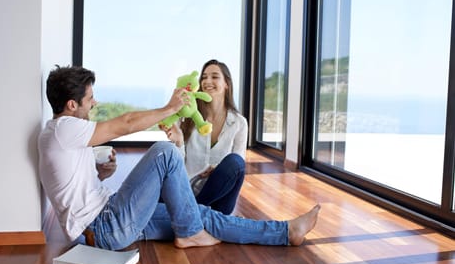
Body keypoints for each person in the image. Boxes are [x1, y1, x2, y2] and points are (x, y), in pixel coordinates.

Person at [38, 65, 320, 251]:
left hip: (110, 218)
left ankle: (286, 232)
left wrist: (101, 173)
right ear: (72, 105)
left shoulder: (62, 133)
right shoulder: (65, 128)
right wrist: (169, 107)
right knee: (164, 153)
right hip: (104, 227)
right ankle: (189, 232)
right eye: (90, 99)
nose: (95, 103)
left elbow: (72, 186)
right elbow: (125, 123)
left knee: (203, 215)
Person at [161, 59, 247, 214]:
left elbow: (238, 166)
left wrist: (218, 168)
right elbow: (176, 166)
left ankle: (189, 214)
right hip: (187, 192)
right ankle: (197, 215)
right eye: (204, 77)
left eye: (215, 77)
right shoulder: (187, 118)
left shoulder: (239, 123)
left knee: (235, 162)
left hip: (218, 199)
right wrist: (179, 141)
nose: (207, 81)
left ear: (227, 83)